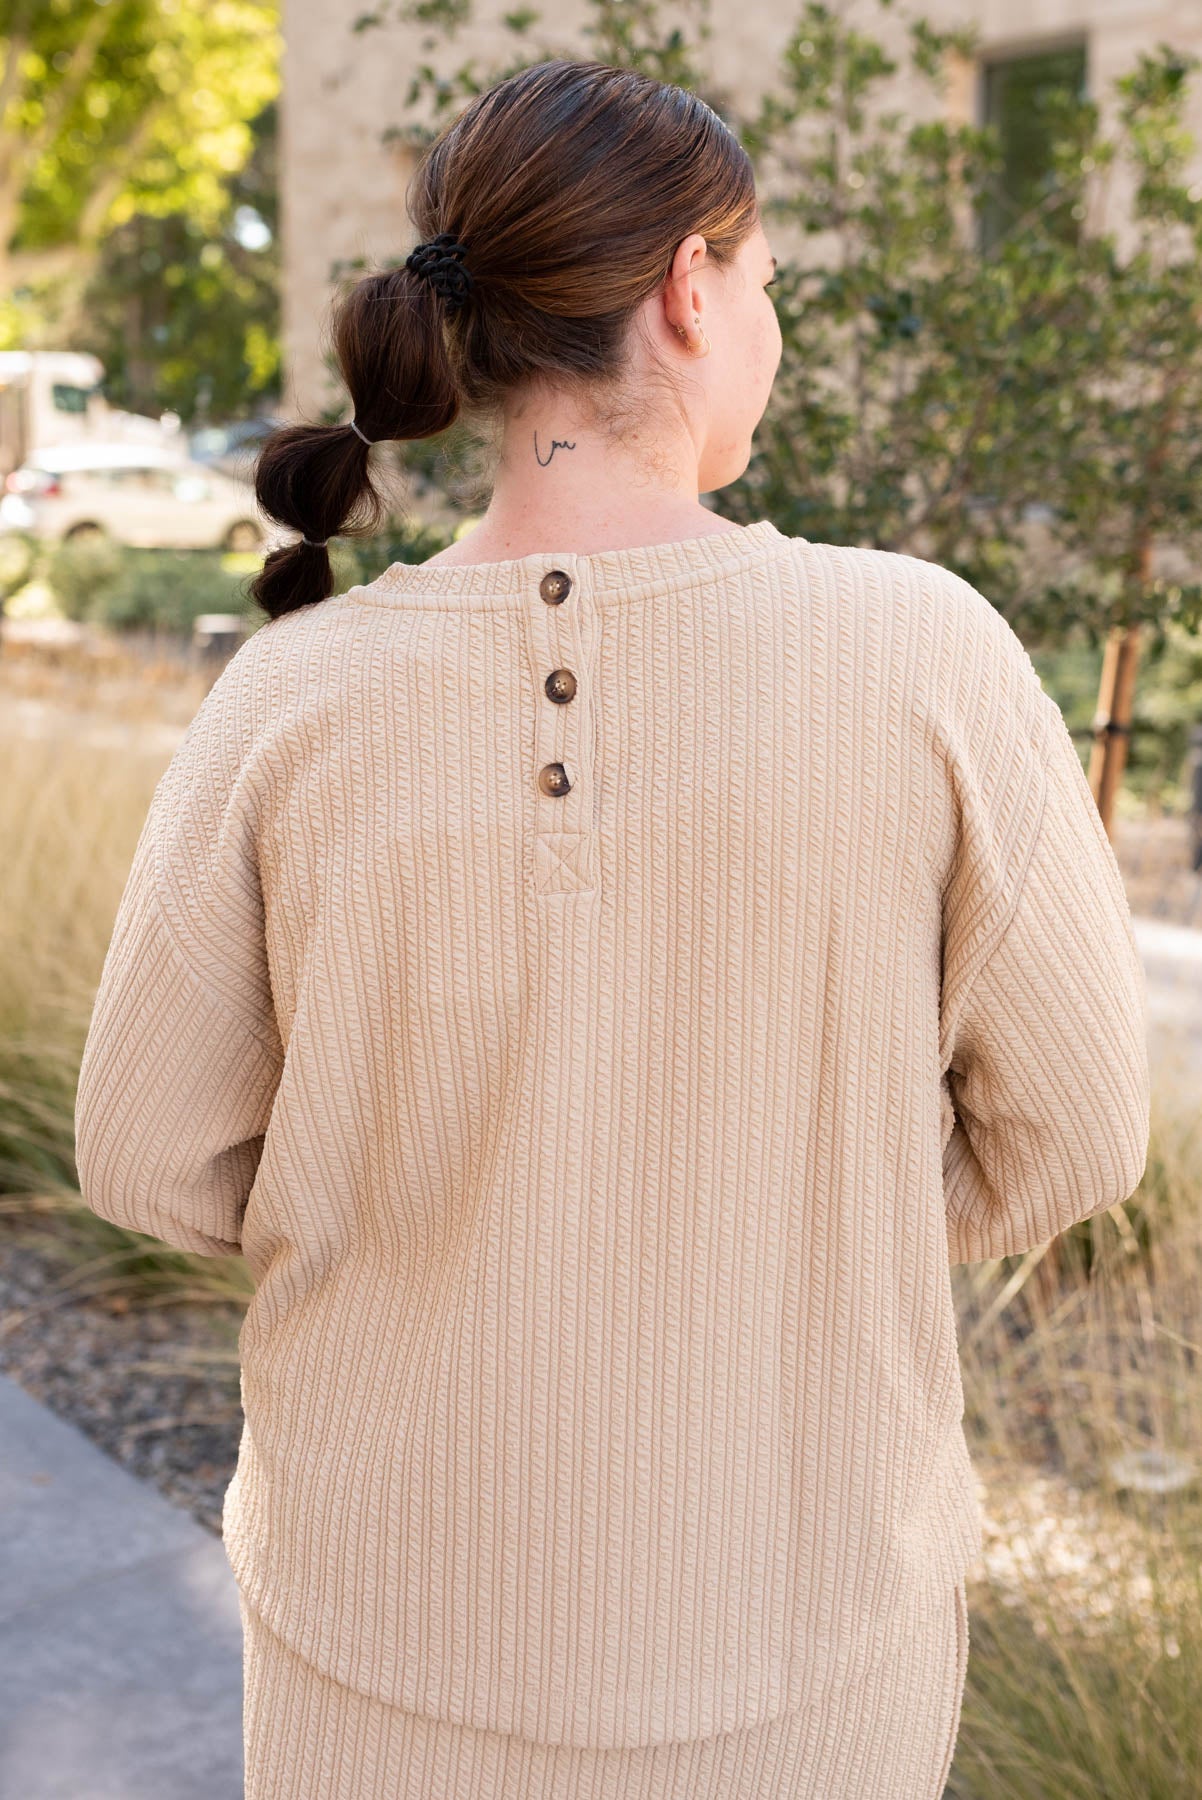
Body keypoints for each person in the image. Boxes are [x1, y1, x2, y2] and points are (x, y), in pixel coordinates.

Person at [73, 54, 1151, 1800]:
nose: (772, 330)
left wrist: (424, 1202)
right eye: (770, 286)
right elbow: (1077, 1135)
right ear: (690, 287)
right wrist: (782, 1229)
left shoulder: (292, 697)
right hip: (808, 1637)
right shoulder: (921, 652)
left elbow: (141, 1152)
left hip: (374, 1630)